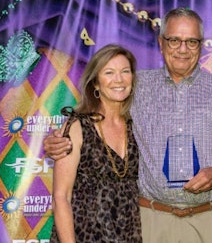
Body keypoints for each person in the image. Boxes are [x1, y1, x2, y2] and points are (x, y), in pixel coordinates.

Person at [44, 7, 212, 243]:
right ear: (161, 43)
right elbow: (95, 119)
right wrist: (58, 141)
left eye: (191, 41)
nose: (183, 49)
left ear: (201, 45)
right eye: (174, 40)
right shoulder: (134, 86)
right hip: (152, 221)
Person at [49, 44, 142, 242]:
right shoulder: (77, 126)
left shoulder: (138, 126)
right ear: (96, 83)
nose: (119, 79)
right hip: (85, 234)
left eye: (125, 71)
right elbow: (61, 197)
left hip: (130, 233)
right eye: (109, 72)